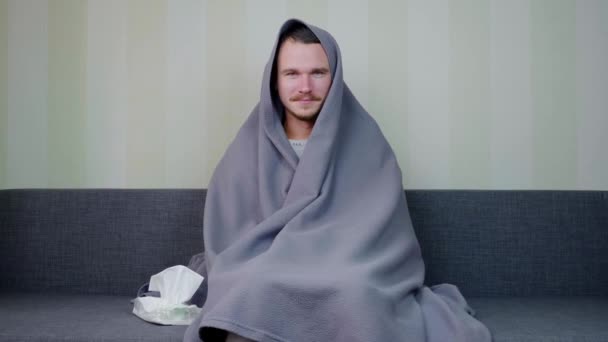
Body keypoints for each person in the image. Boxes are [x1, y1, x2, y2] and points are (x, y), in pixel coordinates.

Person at [184, 19, 491, 342]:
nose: (305, 86)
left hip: (344, 265)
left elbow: (384, 237)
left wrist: (326, 257)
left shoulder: (368, 142)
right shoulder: (247, 147)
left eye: (318, 73)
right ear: (274, 81)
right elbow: (230, 234)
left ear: (335, 78)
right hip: (268, 266)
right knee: (252, 285)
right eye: (292, 74)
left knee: (355, 290)